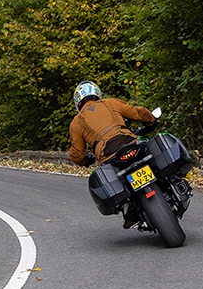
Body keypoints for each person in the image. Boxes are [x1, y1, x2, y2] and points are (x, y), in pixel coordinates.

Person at [67, 80, 158, 228]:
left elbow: (77, 153)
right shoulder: (110, 103)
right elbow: (137, 112)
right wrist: (152, 121)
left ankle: (128, 209)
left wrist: (85, 161)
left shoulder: (76, 122)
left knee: (116, 180)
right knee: (150, 152)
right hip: (130, 143)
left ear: (78, 102)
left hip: (109, 156)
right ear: (97, 93)